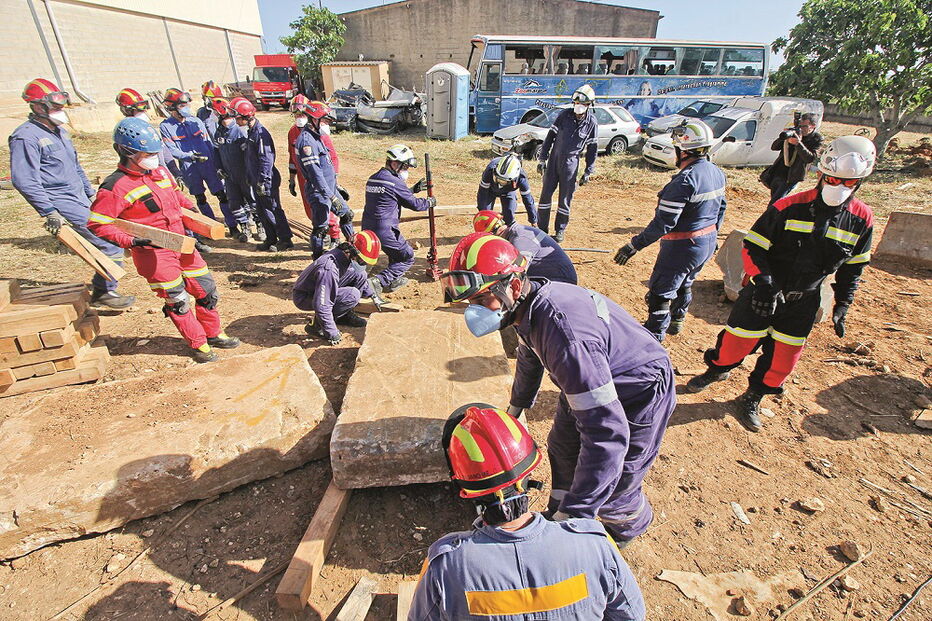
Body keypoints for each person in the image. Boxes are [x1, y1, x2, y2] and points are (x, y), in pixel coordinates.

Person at [442, 234, 675, 545]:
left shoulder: (564, 337)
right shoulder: (526, 307)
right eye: (471, 302)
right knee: (563, 445)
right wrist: (516, 406)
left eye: (483, 299)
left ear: (512, 285)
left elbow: (607, 434)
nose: (476, 310)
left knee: (619, 477)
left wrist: (576, 515)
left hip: (639, 389)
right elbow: (529, 355)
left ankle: (624, 529)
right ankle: (559, 512)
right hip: (591, 376)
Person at [686, 136, 876, 432]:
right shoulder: (789, 205)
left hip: (805, 300)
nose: (839, 187)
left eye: (849, 183)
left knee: (783, 360)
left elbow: (854, 267)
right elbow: (754, 245)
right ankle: (717, 370)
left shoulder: (862, 219)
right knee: (736, 342)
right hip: (764, 290)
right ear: (822, 175)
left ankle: (752, 397)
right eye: (834, 179)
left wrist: (843, 305)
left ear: (861, 182)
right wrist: (763, 282)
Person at [409, 403, 646, 620]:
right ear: (529, 472)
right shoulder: (596, 546)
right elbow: (631, 616)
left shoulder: (445, 565)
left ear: (463, 487)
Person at [87, 117, 241, 362]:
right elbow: (98, 224)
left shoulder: (159, 171)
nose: (153, 157)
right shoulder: (114, 187)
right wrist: (131, 242)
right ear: (127, 152)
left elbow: (178, 200)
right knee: (177, 300)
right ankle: (198, 344)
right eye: (146, 153)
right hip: (153, 253)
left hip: (182, 244)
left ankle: (213, 333)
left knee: (207, 291)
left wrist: (196, 224)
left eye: (154, 152)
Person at [9, 78, 133, 309]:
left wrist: (90, 194)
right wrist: (48, 211)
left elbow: (75, 167)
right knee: (108, 241)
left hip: (78, 196)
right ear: (37, 107)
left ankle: (104, 288)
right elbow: (24, 180)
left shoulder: (60, 132)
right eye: (55, 108)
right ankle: (104, 292)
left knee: (112, 234)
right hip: (59, 200)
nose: (61, 112)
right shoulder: (26, 137)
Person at [613, 120, 727, 341]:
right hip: (706, 242)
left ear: (683, 150)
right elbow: (721, 209)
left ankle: (655, 335)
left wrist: (633, 245)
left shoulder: (684, 181)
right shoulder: (716, 172)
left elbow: (663, 224)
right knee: (686, 282)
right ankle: (677, 320)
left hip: (682, 247)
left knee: (660, 294)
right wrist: (713, 237)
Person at [159, 88, 242, 244]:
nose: (187, 108)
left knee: (222, 195)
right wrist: (189, 156)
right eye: (183, 105)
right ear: (173, 107)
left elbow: (209, 143)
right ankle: (211, 228)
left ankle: (233, 227)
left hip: (208, 164)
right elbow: (172, 150)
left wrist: (218, 164)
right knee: (200, 198)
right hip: (190, 168)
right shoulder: (166, 126)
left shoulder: (195, 121)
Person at [362, 144, 435, 294]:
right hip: (385, 230)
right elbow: (414, 204)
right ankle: (379, 281)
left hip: (368, 229)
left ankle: (394, 280)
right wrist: (429, 202)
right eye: (405, 167)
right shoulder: (395, 182)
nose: (405, 171)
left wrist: (412, 190)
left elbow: (389, 196)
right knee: (407, 256)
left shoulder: (373, 178)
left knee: (394, 252)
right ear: (394, 163)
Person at [292, 230, 385, 345]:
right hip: (305, 296)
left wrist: (373, 295)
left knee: (361, 274)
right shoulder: (329, 268)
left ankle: (343, 315)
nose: (362, 263)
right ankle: (316, 326)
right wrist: (332, 332)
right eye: (361, 260)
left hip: (318, 289)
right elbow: (322, 304)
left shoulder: (344, 255)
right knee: (352, 295)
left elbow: (358, 276)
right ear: (351, 251)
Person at [291, 99, 354, 257]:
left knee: (346, 214)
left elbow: (327, 165)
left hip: (330, 188)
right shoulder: (307, 142)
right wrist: (331, 197)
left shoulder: (316, 136)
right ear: (314, 119)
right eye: (325, 120)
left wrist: (335, 186)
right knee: (320, 228)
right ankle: (318, 259)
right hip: (319, 192)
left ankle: (353, 246)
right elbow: (315, 174)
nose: (327, 124)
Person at [536, 85, 597, 243]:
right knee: (545, 196)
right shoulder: (564, 115)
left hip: (571, 164)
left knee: (565, 199)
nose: (578, 107)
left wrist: (588, 171)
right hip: (554, 160)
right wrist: (542, 159)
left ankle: (560, 230)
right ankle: (541, 229)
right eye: (576, 103)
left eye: (582, 104)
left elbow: (592, 149)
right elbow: (550, 137)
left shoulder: (592, 123)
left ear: (589, 105)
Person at [231, 98, 294, 251]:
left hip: (267, 180)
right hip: (255, 178)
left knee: (273, 209)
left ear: (246, 116)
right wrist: (249, 177)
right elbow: (250, 159)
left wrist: (262, 181)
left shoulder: (261, 133)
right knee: (261, 210)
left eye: (237, 117)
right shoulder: (251, 132)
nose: (235, 120)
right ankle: (271, 239)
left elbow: (266, 159)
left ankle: (285, 240)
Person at [287, 95, 340, 249]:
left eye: (302, 114)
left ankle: (334, 236)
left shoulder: (319, 134)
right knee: (312, 209)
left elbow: (333, 158)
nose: (299, 118)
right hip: (305, 178)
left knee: (328, 208)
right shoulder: (292, 133)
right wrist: (292, 178)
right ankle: (322, 236)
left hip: (322, 177)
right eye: (296, 115)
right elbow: (292, 156)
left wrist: (334, 179)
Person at [473, 210, 576, 285]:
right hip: (551, 277)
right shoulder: (515, 234)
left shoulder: (520, 238)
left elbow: (517, 272)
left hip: (561, 282)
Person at [210, 98, 257, 243]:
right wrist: (219, 168)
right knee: (234, 203)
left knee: (252, 201)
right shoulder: (219, 133)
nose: (214, 116)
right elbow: (216, 153)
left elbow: (249, 156)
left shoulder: (239, 131)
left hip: (244, 174)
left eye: (215, 113)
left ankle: (260, 226)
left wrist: (250, 173)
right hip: (229, 176)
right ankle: (245, 228)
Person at [115, 88, 181, 181]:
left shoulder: (148, 130)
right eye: (139, 111)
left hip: (163, 175)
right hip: (148, 179)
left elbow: (164, 152)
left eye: (144, 110)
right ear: (127, 110)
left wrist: (176, 173)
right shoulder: (127, 135)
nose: (144, 113)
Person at [761, 113, 823, 203]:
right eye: (799, 126)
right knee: (775, 200)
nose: (801, 129)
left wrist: (798, 144)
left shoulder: (816, 139)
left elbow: (810, 158)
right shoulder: (793, 133)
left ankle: (770, 216)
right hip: (778, 171)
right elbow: (774, 147)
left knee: (774, 203)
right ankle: (776, 216)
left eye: (804, 126)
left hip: (792, 176)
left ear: (813, 126)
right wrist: (784, 137)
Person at [476, 153, 538, 227]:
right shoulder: (490, 170)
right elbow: (482, 194)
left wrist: (533, 220)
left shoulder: (521, 178)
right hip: (490, 190)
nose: (500, 183)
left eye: (504, 181)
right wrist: (483, 212)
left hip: (508, 192)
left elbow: (528, 200)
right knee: (486, 216)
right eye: (498, 179)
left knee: (509, 216)